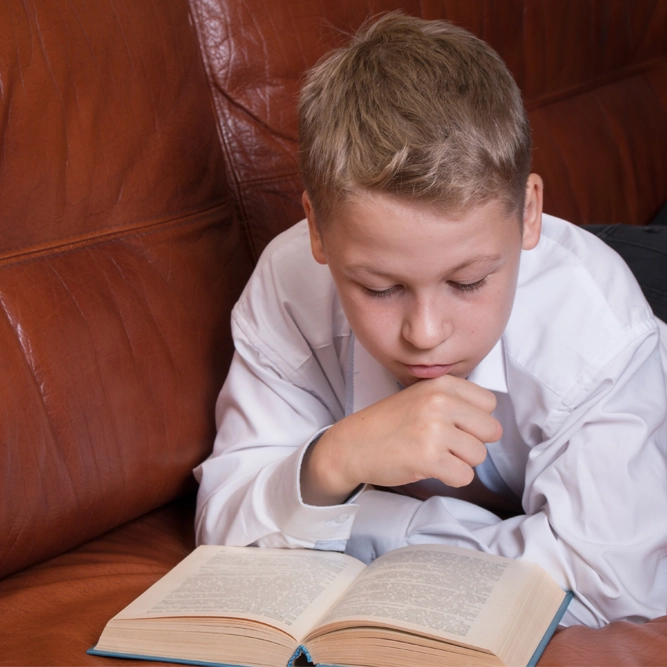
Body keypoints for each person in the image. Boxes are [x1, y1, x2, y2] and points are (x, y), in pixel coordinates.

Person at [193, 13, 667, 628]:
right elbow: (224, 528)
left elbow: (616, 584)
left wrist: (373, 524)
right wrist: (333, 461)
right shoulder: (287, 285)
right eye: (380, 287)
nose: (425, 333)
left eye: (467, 282)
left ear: (528, 214)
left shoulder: (600, 332)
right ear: (315, 229)